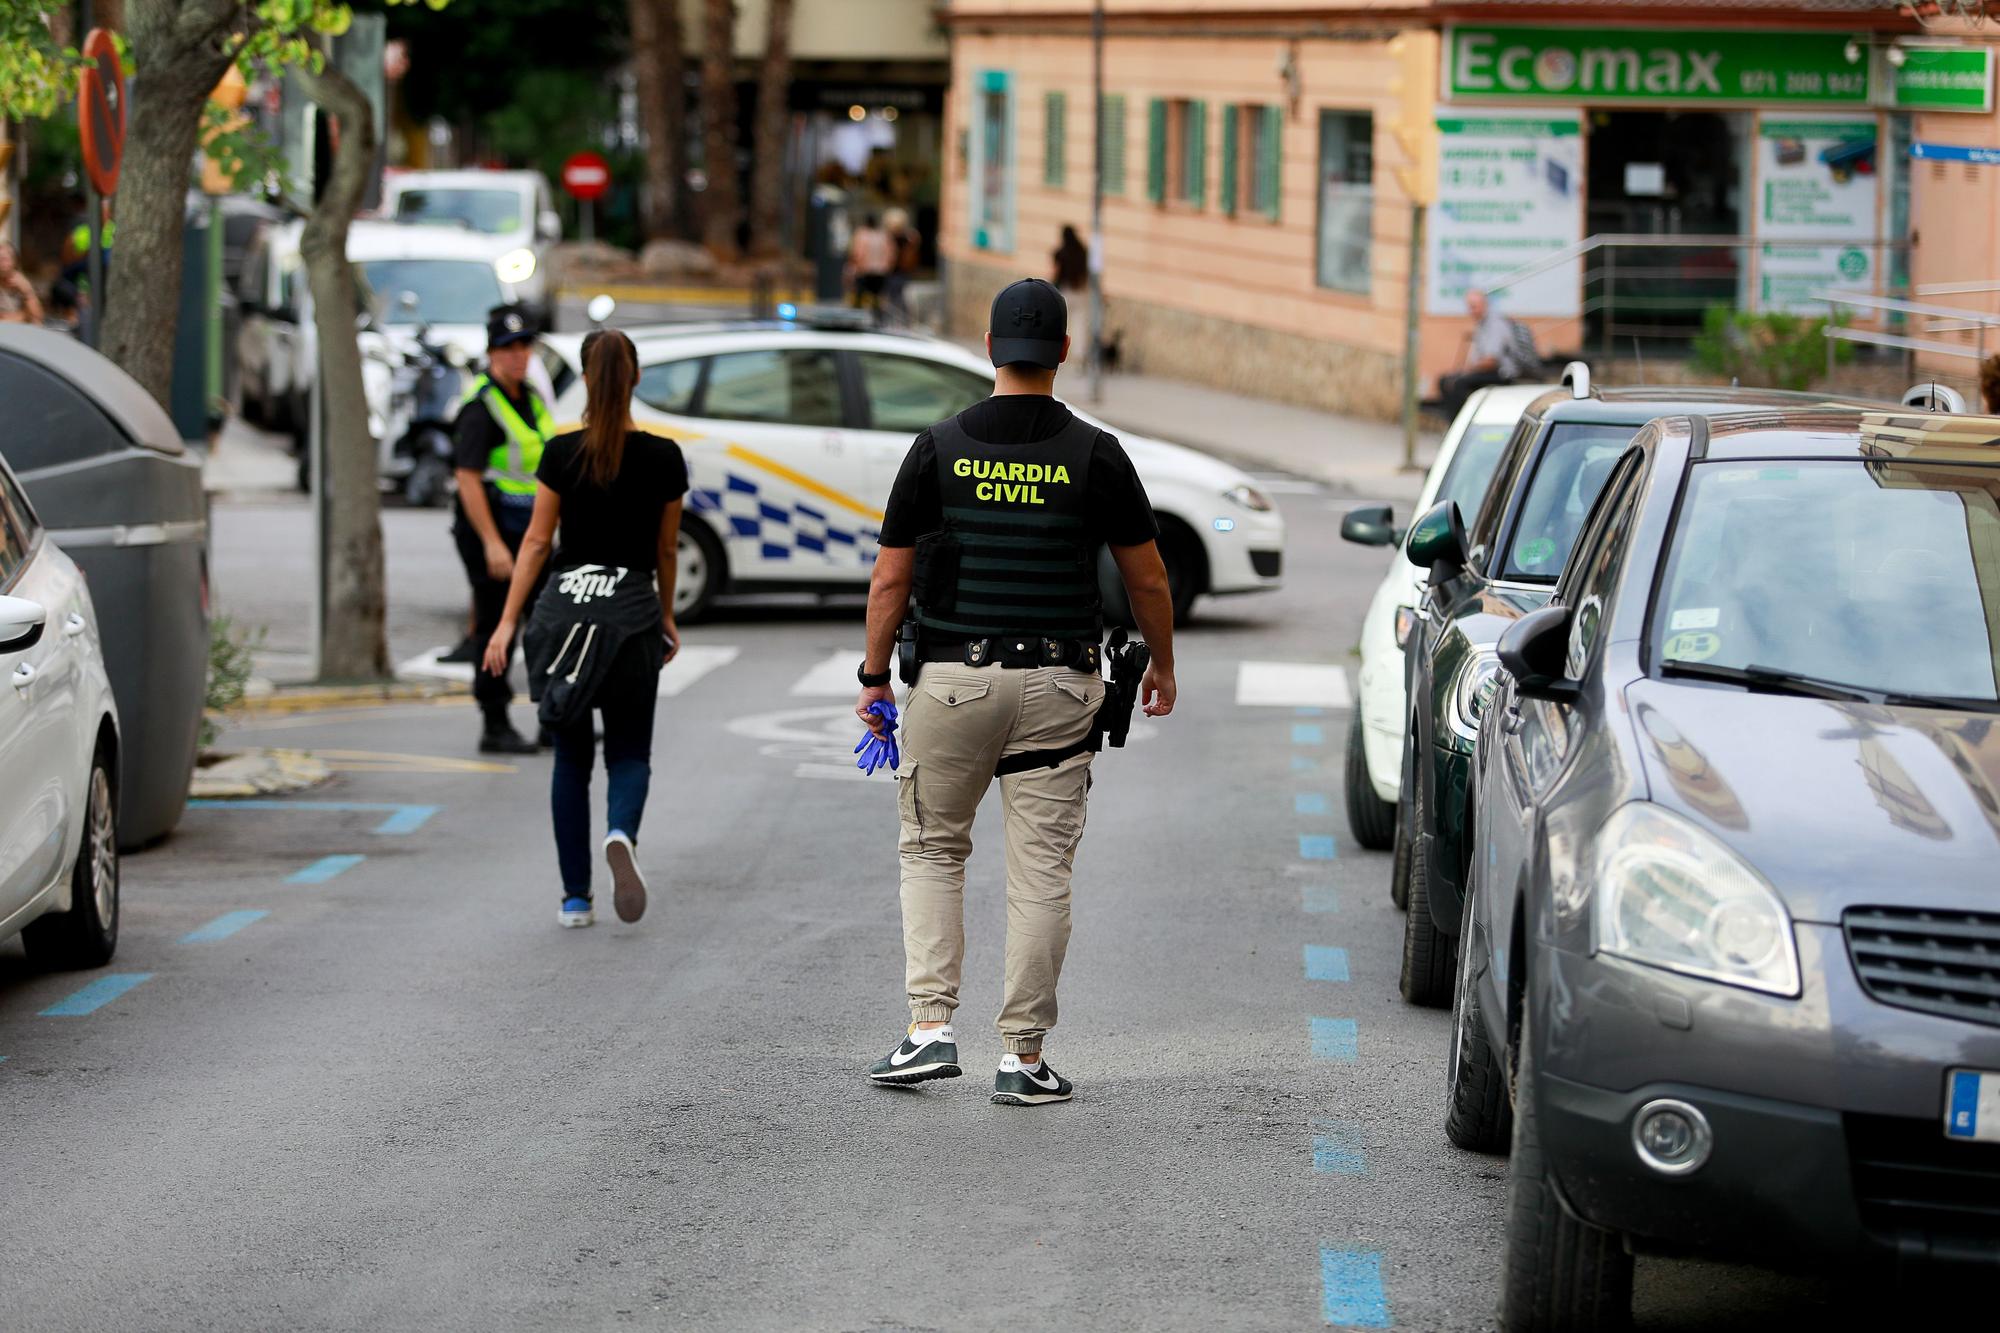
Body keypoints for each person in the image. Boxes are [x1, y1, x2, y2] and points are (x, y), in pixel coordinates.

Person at [855, 277, 1178, 1106]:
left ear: (991, 349)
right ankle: (1023, 1057)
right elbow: (1147, 578)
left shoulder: (937, 447)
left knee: (932, 850)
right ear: (1063, 352)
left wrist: (874, 677)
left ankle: (929, 1031)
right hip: (1060, 687)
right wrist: (1165, 665)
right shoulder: (1097, 454)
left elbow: (890, 580)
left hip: (954, 682)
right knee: (1040, 873)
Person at [484, 329, 688, 928]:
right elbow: (667, 549)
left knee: (570, 758)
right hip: (630, 620)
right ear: (636, 379)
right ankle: (620, 831)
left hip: (565, 619)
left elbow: (537, 541)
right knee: (629, 751)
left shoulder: (558, 453)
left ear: (583, 378)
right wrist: (667, 614)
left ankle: (576, 898)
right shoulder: (663, 456)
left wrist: (504, 623)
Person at [453, 303, 557, 754]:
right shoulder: (481, 407)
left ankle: (554, 716)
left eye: (524, 346)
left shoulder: (530, 398)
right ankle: (494, 723)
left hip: (530, 533)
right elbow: (467, 478)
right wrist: (493, 544)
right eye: (507, 348)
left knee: (547, 625)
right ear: (492, 352)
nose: (517, 355)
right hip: (493, 535)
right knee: (497, 627)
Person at [1437, 288, 1536, 420]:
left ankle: (1462, 421)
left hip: (1503, 373)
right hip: (1490, 371)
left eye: (1474, 307)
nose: (1471, 311)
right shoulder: (1482, 324)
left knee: (1459, 383)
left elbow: (1491, 361)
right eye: (1469, 307)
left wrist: (1467, 370)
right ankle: (1454, 422)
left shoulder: (1495, 324)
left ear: (1484, 305)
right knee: (1445, 380)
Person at [847, 213, 895, 313]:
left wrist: (854, 266)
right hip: (880, 271)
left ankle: (857, 317)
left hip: (864, 270)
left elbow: (857, 253)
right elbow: (890, 254)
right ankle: (876, 318)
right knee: (876, 297)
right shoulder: (883, 235)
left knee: (859, 296)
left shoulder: (862, 234)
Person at [881, 207, 921, 326]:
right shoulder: (908, 237)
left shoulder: (906, 238)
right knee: (896, 296)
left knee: (895, 296)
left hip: (897, 271)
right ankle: (901, 321)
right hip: (897, 271)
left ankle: (899, 321)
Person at [0, 243, 43, 325]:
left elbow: (37, 316)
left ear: (14, 261)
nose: (2, 263)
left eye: (5, 259)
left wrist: (27, 292)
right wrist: (23, 316)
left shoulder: (22, 283)